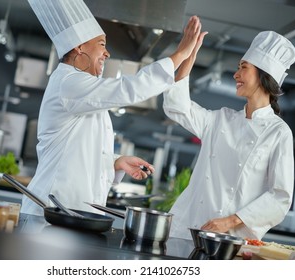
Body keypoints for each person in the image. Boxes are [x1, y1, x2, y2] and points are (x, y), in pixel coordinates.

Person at [21, 0, 201, 216]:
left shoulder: (81, 89)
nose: (107, 54)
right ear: (79, 46)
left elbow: (80, 152)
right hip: (50, 212)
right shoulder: (68, 83)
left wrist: (117, 162)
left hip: (72, 212)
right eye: (102, 44)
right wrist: (179, 54)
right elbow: (127, 89)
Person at [163, 28, 295, 240]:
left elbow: (280, 197)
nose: (236, 74)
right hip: (186, 230)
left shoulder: (278, 132)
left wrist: (230, 221)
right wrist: (190, 56)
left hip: (230, 240)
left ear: (264, 76)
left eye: (243, 68)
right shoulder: (220, 120)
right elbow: (176, 106)